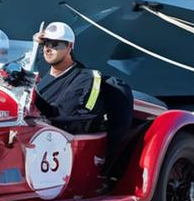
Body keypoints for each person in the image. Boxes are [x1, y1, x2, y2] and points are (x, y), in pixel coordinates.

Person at [32, 21, 134, 181]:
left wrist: (33, 95)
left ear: (69, 46)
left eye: (55, 44)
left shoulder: (86, 77)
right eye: (45, 43)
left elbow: (62, 117)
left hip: (58, 145)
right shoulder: (40, 80)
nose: (48, 48)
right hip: (33, 139)